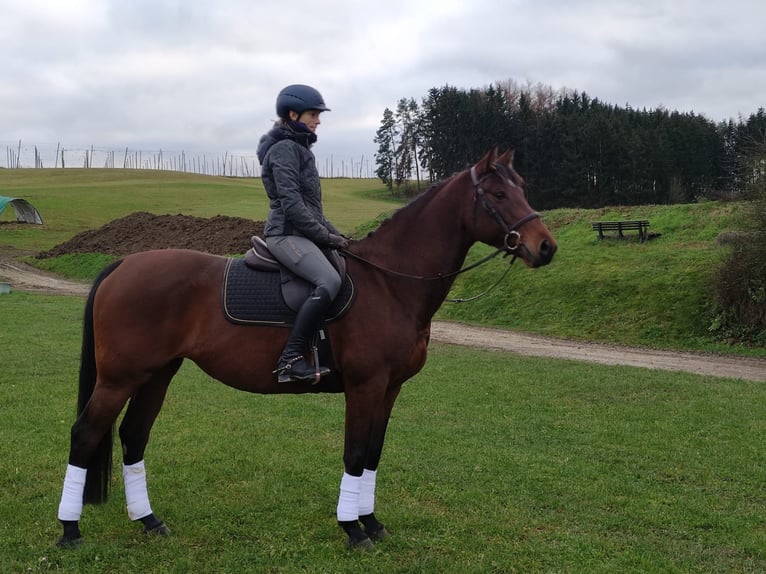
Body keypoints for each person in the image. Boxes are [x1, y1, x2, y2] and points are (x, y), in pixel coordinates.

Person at [257, 84, 348, 383]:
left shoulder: (299, 149)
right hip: (285, 235)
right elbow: (293, 205)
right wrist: (326, 238)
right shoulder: (284, 149)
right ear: (293, 114)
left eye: (318, 115)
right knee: (329, 280)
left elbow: (314, 211)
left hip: (302, 233)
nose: (318, 121)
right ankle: (291, 360)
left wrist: (341, 238)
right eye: (313, 114)